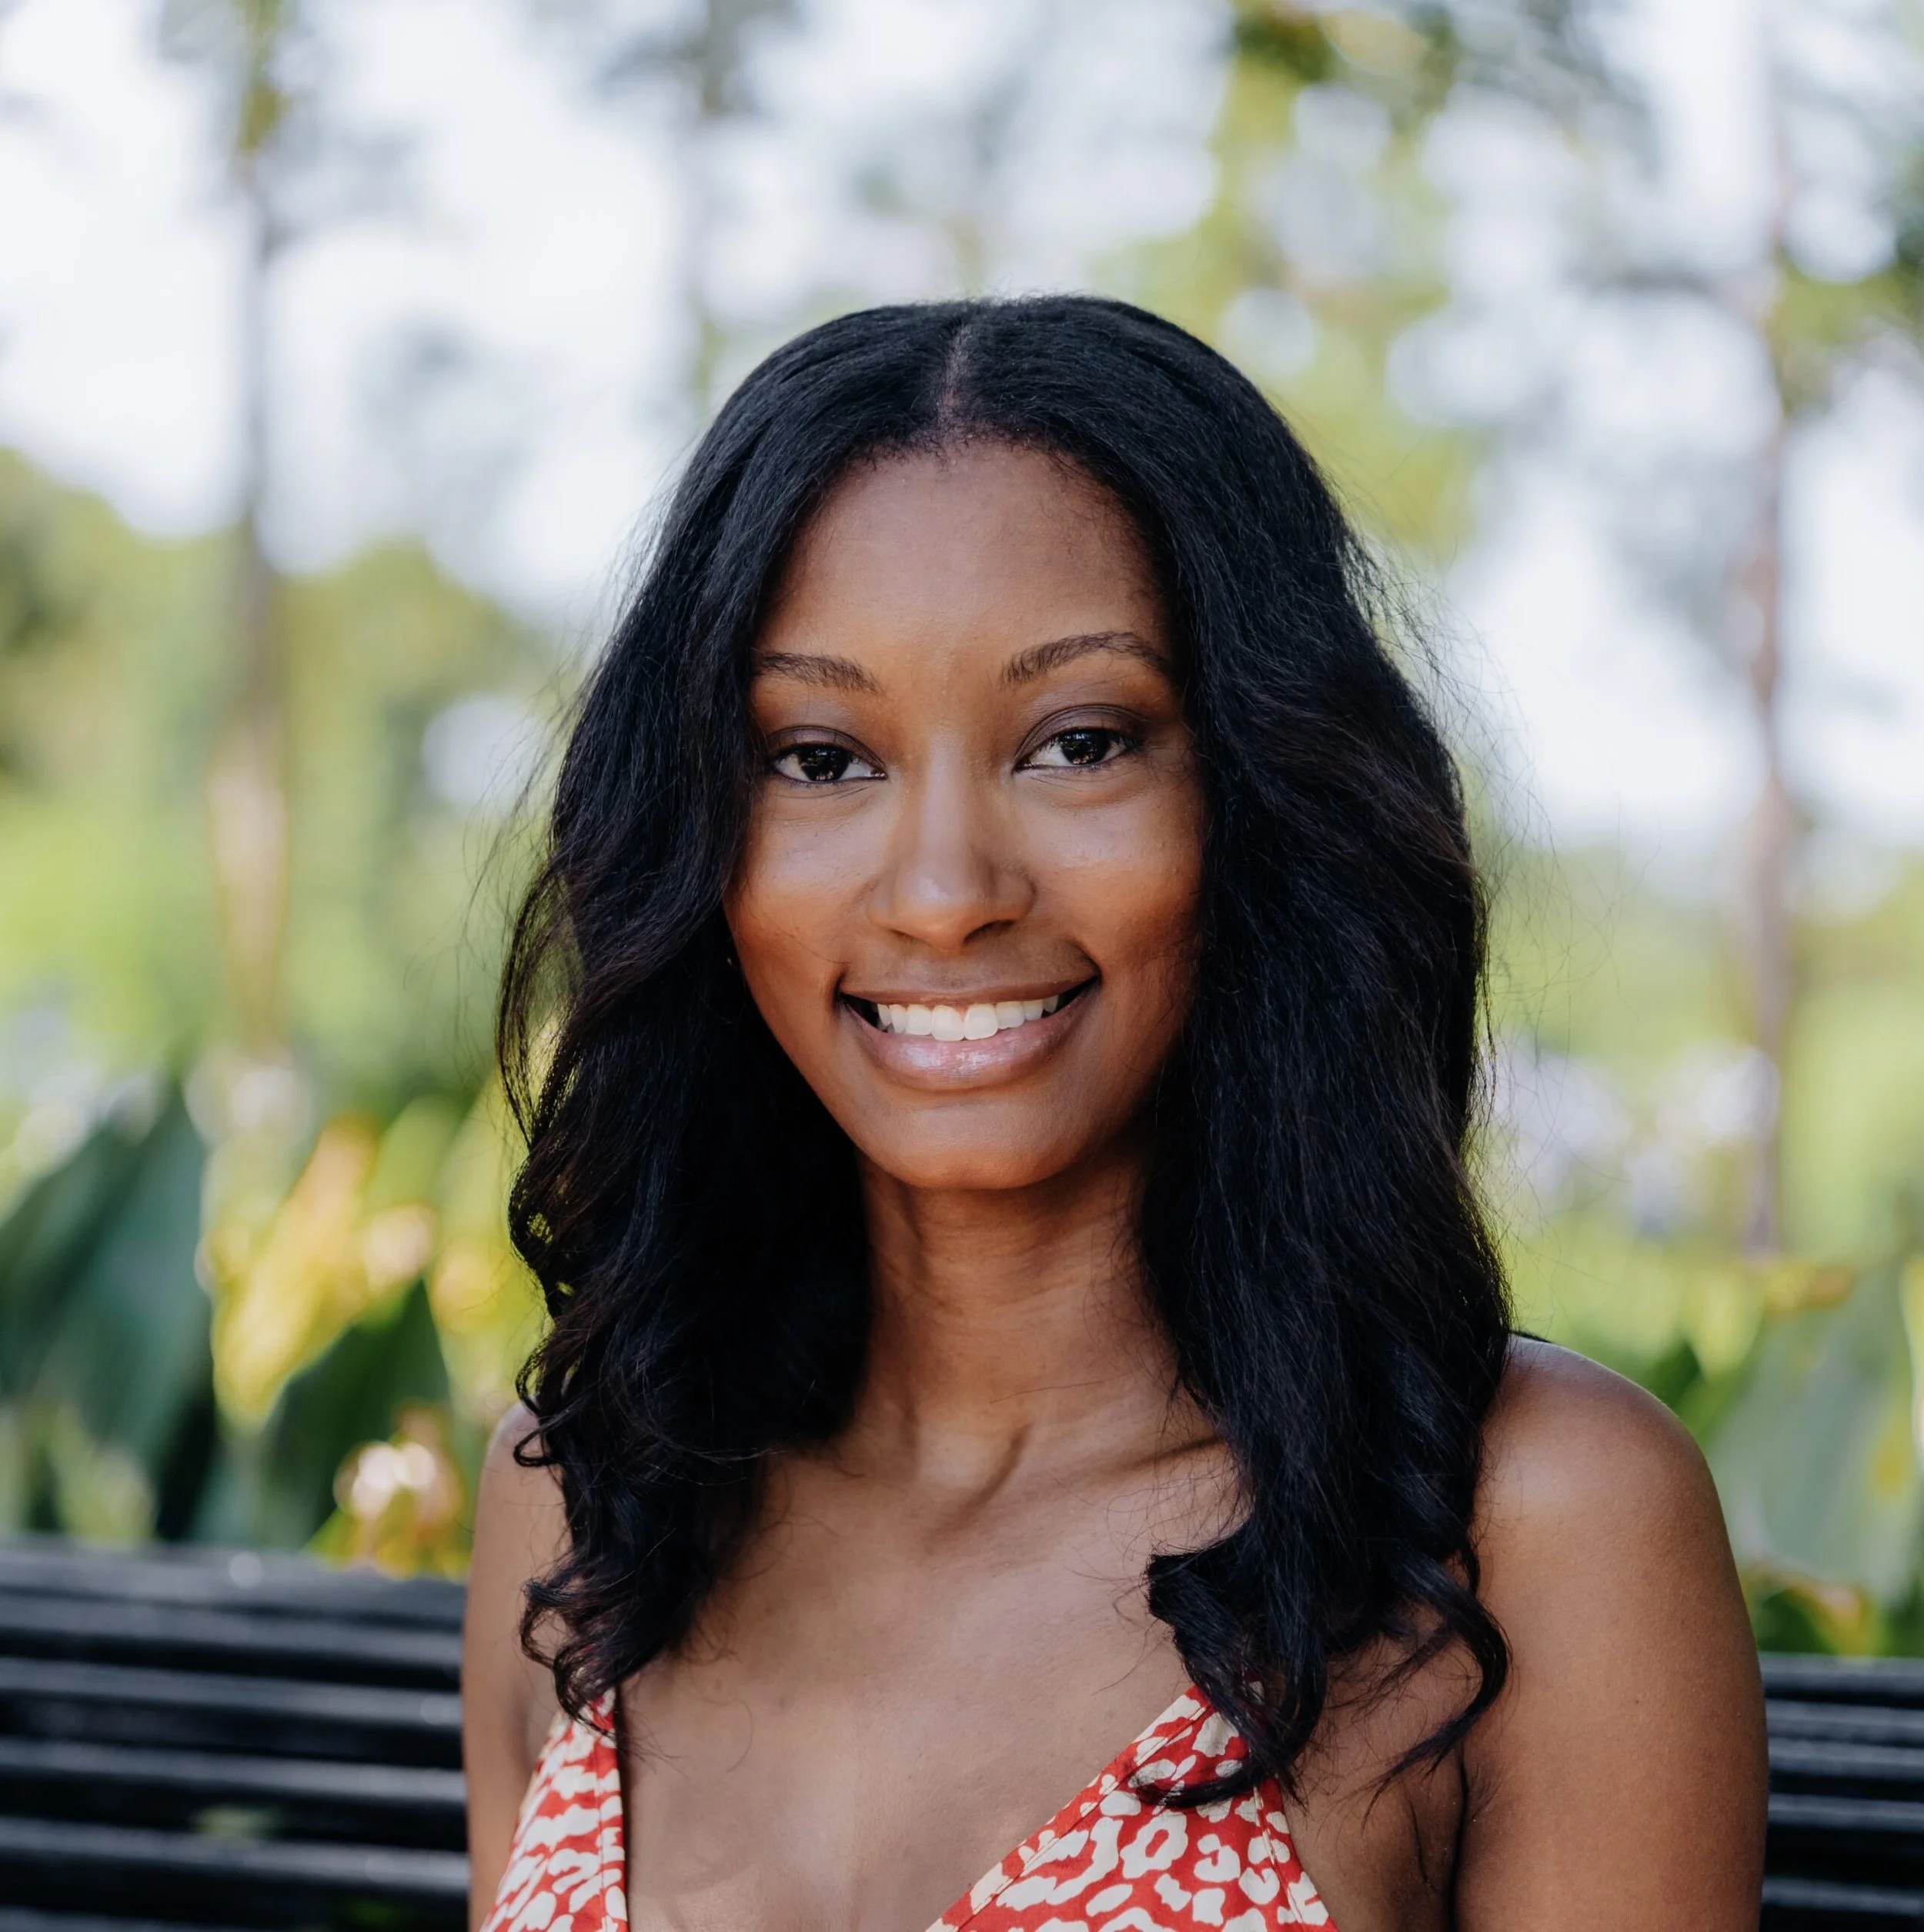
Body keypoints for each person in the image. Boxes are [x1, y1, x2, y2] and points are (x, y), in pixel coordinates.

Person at [462, 296, 1766, 1932]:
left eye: (1079, 742)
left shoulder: (1529, 1526)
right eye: (816, 757)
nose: (943, 894)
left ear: (1256, 797)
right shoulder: (592, 1495)